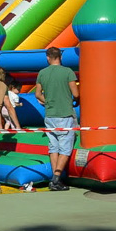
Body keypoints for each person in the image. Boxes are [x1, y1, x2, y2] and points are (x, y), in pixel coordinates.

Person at [35, 46, 80, 192]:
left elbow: (37, 94)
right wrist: (75, 100)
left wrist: (47, 100)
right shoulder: (68, 72)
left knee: (53, 147)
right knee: (65, 148)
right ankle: (56, 177)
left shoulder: (42, 72)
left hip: (50, 115)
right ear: (60, 57)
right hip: (65, 113)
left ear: (48, 57)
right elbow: (76, 93)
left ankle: (55, 180)